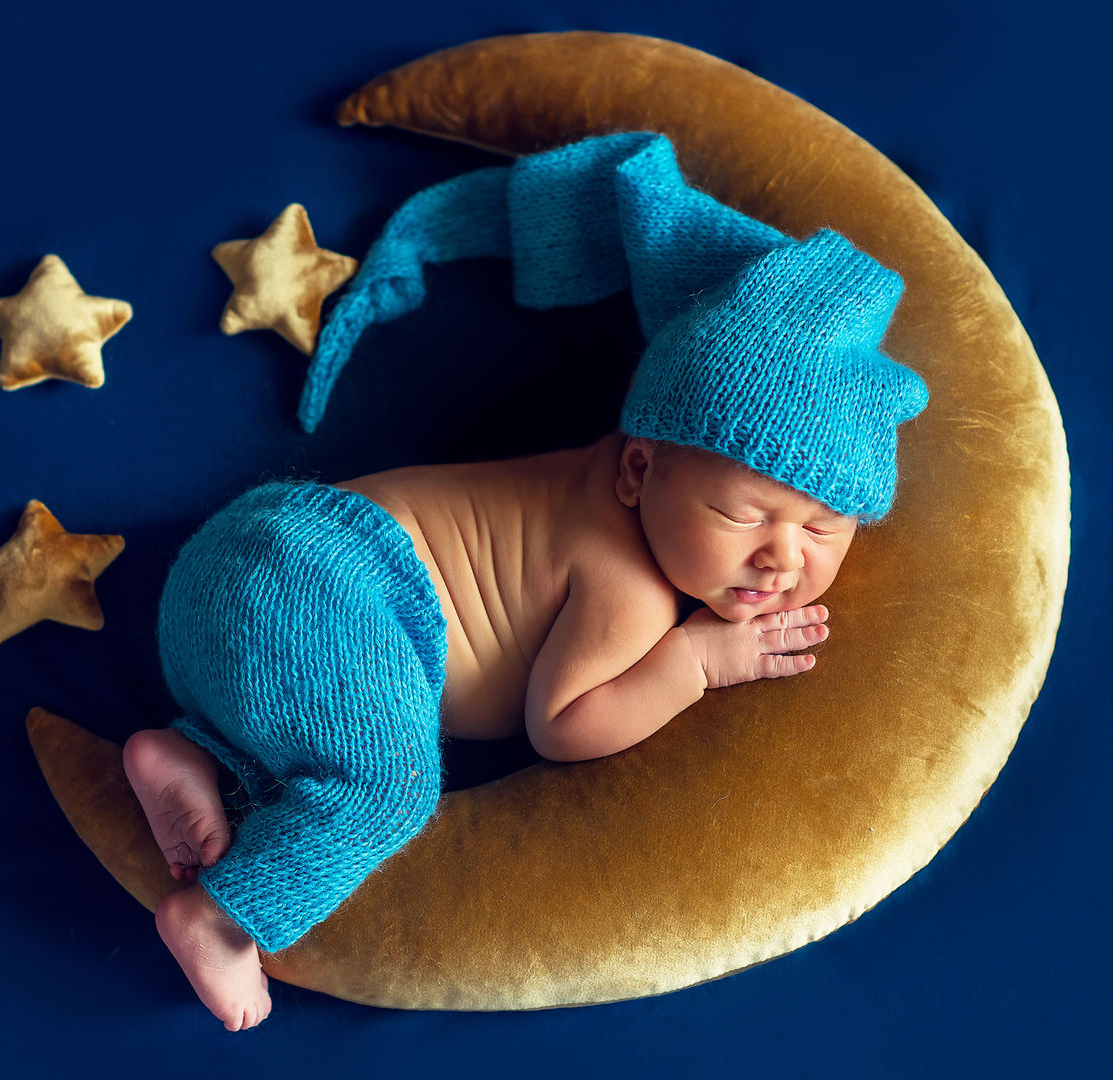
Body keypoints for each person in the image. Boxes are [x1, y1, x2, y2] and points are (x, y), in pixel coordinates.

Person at [122, 133, 929, 1031]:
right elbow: (564, 723)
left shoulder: (599, 479)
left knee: (329, 733)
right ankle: (220, 917)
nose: (785, 557)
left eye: (823, 530)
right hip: (336, 588)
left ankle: (191, 757)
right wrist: (695, 663)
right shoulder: (629, 580)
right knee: (386, 789)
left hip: (243, 567)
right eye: (745, 516)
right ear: (639, 471)